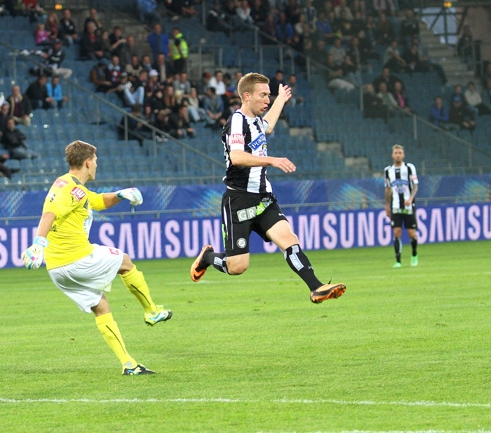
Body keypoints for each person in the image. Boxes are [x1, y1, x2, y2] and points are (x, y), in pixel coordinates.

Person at [189, 73, 346, 304]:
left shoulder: (255, 122)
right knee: (238, 266)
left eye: (268, 95)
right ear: (246, 96)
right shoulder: (237, 121)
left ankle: (317, 287)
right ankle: (208, 257)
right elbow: (237, 156)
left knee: (289, 239)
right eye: (263, 95)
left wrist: (281, 99)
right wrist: (272, 160)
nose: (267, 100)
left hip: (263, 199)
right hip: (239, 201)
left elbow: (268, 126)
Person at [21, 140, 172, 375]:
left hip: (57, 269)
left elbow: (97, 201)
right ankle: (152, 311)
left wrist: (121, 195)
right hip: (77, 258)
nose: (97, 166)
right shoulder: (71, 189)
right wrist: (38, 243)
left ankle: (129, 364)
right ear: (87, 162)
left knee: (101, 306)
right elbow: (49, 214)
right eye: (96, 162)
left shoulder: (71, 186)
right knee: (125, 261)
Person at [384, 144, 419, 268]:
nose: (398, 155)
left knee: (411, 233)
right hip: (395, 206)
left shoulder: (409, 168)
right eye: (396, 153)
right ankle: (398, 261)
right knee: (397, 232)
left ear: (403, 155)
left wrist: (410, 198)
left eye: (400, 153)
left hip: (408, 205)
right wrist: (387, 205)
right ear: (392, 155)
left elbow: (415, 185)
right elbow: (388, 189)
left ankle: (414, 254)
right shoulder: (388, 170)